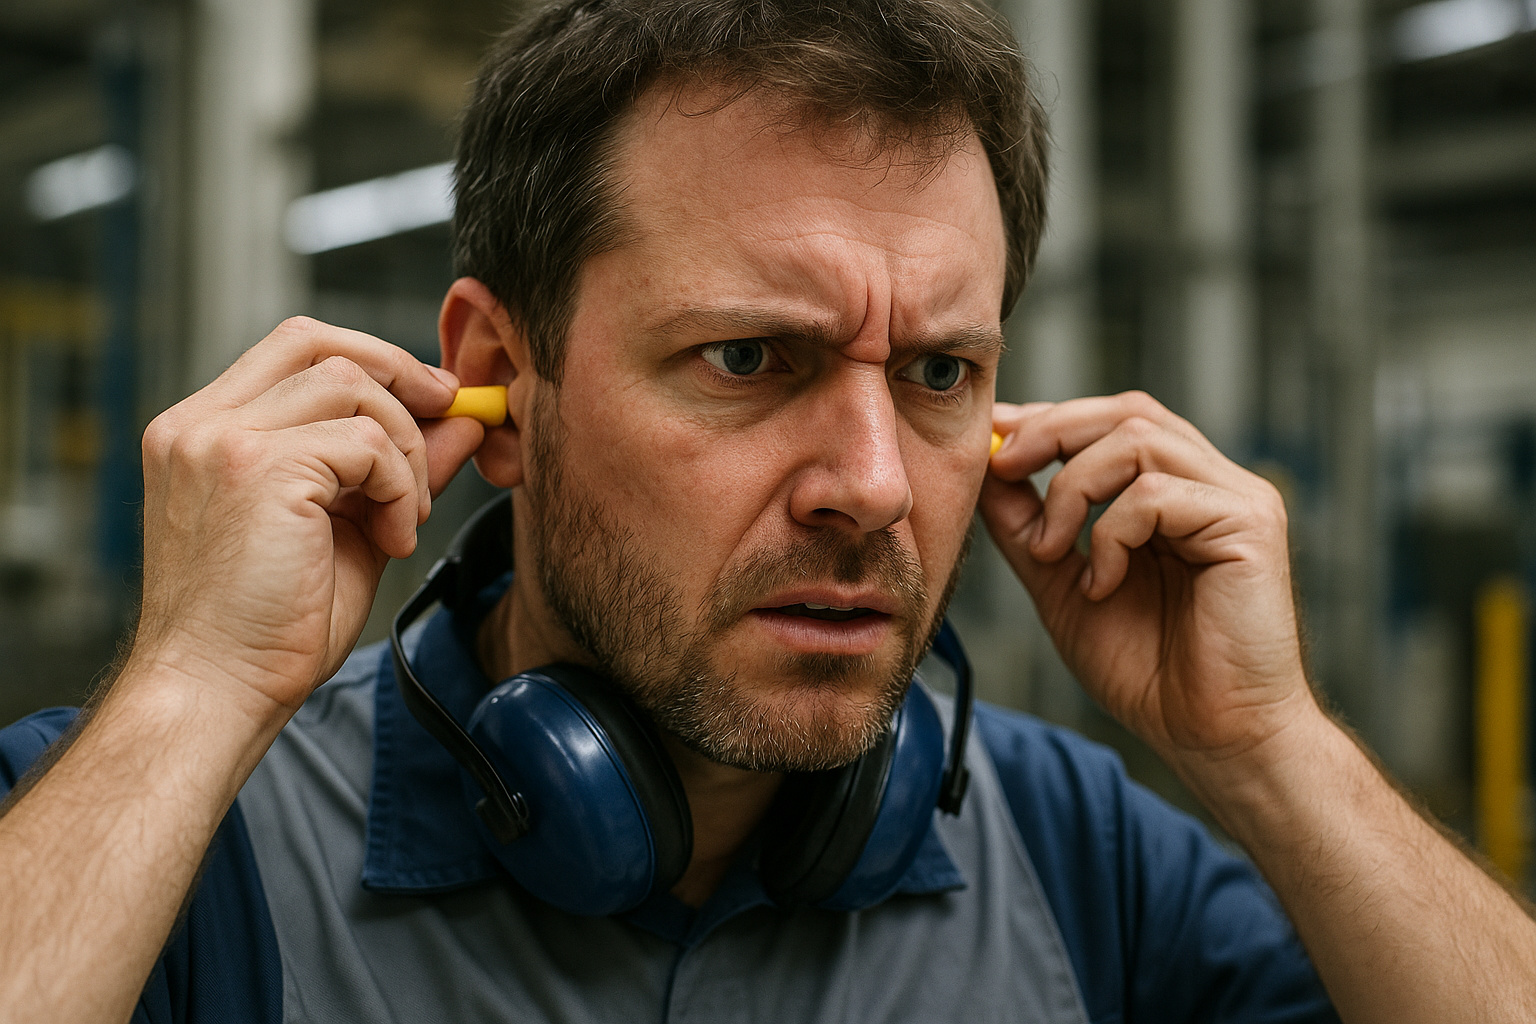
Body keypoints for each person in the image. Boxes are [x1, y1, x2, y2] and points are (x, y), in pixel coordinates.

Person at [2, 1, 1535, 1021]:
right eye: (750, 359)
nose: (871, 485)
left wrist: (1275, 758)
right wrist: (194, 692)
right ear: (497, 381)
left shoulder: (1087, 871)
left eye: (939, 370)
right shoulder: (180, 851)